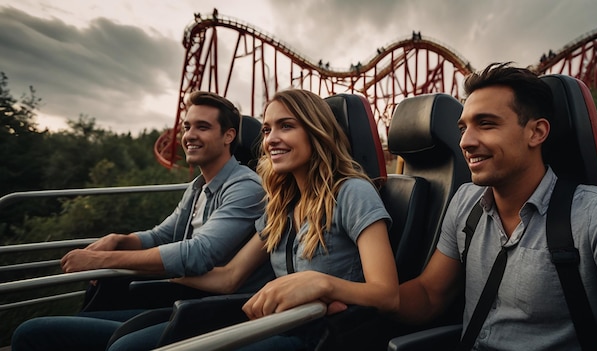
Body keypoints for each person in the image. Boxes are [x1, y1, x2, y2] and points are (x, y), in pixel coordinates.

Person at [104, 88, 399, 351]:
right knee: (129, 345)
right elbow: (230, 278)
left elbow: (387, 295)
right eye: (268, 129)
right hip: (276, 324)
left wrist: (322, 283)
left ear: (316, 131)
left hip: (322, 334)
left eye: (286, 126)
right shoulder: (282, 204)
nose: (271, 139)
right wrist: (150, 270)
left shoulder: (352, 192)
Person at [12, 91, 272, 350]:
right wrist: (119, 240)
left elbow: (199, 253)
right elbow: (162, 235)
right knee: (69, 322)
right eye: (187, 127)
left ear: (229, 136)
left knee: (34, 332)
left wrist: (102, 261)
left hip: (211, 310)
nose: (190, 135)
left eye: (202, 127)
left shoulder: (245, 186)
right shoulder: (199, 186)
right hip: (183, 299)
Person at [394, 62, 597, 350]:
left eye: (486, 124)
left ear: (537, 133)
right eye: (463, 128)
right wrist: (353, 295)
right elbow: (429, 294)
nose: (465, 141)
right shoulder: (466, 201)